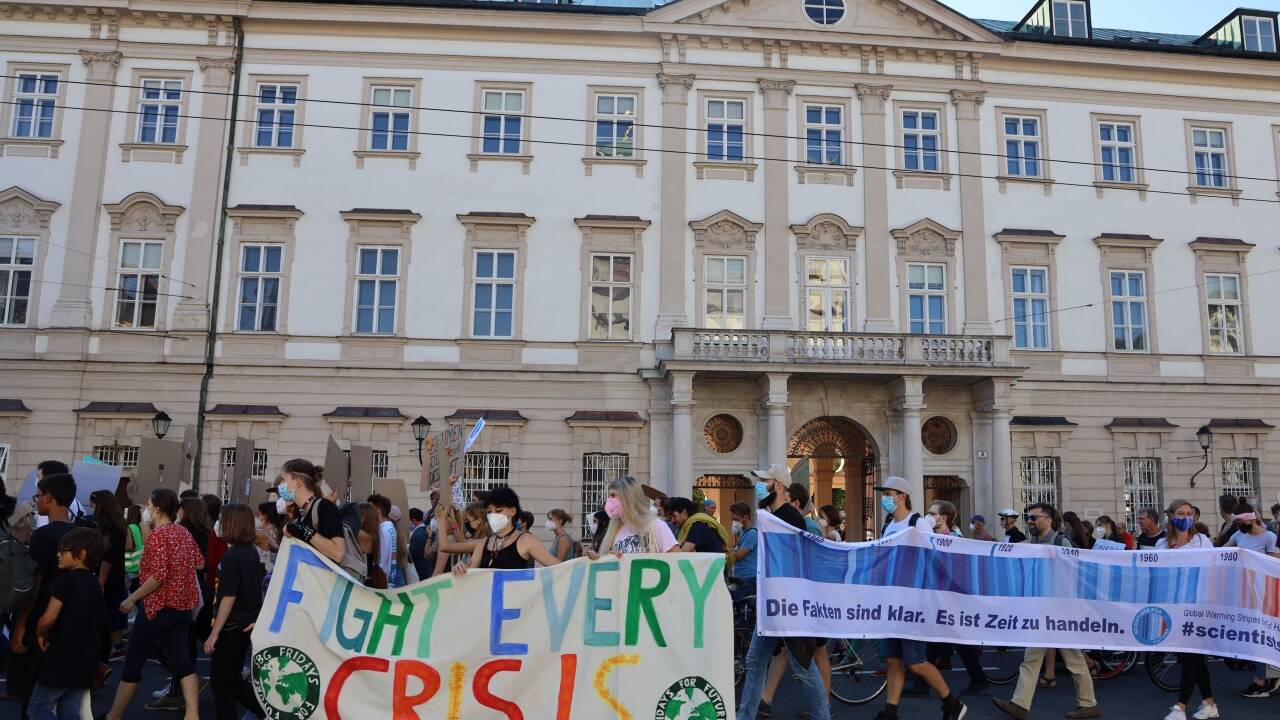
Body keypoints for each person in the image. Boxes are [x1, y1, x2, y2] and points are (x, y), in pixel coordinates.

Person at [736, 465, 830, 720]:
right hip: (774, 603)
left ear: (777, 485)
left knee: (803, 666)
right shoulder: (774, 515)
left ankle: (823, 716)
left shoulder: (789, 517)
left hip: (785, 604)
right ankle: (745, 715)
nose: (758, 486)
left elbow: (791, 560)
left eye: (763, 481)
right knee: (756, 661)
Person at [103, 489, 204, 720]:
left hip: (156, 608)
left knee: (133, 663)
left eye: (149, 505)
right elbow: (199, 563)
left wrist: (131, 598)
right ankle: (192, 713)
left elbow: (158, 576)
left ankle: (114, 715)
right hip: (182, 607)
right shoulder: (183, 533)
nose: (147, 509)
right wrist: (179, 570)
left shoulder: (159, 536)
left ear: (157, 508)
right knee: (182, 662)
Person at [993, 503, 1099, 720]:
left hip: (1061, 612)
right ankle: (1020, 704)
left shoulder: (1062, 542)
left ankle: (1088, 704)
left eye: (1033, 517)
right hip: (1041, 611)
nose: (1029, 521)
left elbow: (1076, 573)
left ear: (1048, 519)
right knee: (1032, 658)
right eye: (1028, 517)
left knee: (1074, 659)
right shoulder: (1031, 543)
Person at [872, 476, 964, 720]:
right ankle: (890, 712)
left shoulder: (918, 523)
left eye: (888, 493)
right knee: (893, 659)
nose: (885, 498)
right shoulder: (888, 525)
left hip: (913, 601)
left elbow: (934, 558)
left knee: (915, 661)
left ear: (902, 496)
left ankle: (951, 702)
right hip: (892, 599)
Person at [9, 471, 77, 720]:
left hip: (41, 616)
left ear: (49, 497)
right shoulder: (81, 532)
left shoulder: (42, 536)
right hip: (71, 618)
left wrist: (21, 625)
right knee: (67, 695)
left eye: (38, 496)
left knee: (32, 687)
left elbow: (34, 583)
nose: (36, 501)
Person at [28, 527, 106, 720]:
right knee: (70, 710)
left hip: (61, 658)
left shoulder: (64, 582)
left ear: (81, 554)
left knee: (38, 708)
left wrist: (39, 632)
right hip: (86, 658)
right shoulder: (95, 584)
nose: (58, 554)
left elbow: (49, 617)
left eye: (63, 550)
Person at [1156, 499, 1218, 720]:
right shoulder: (1162, 545)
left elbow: (1213, 570)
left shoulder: (1202, 541)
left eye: (1189, 513)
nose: (1185, 517)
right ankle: (1210, 703)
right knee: (1193, 658)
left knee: (1191, 655)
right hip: (1175, 606)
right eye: (1181, 514)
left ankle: (1180, 707)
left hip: (1199, 605)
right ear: (1171, 516)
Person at [203, 504, 266, 720]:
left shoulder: (231, 557)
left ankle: (261, 712)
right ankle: (264, 712)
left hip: (231, 626)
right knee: (233, 680)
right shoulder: (250, 552)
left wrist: (215, 632)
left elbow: (228, 597)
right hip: (244, 623)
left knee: (221, 683)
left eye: (222, 519)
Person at [1225, 501, 1280, 698]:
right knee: (1255, 636)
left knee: (1264, 634)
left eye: (1242, 523)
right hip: (1245, 593)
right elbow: (1223, 552)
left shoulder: (1269, 537)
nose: (1240, 527)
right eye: (1237, 523)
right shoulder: (1239, 535)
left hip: (1266, 593)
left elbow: (1274, 563)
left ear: (1253, 519)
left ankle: (1263, 681)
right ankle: (1266, 677)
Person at [454, 487, 561, 572]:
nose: (493, 515)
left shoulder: (526, 540)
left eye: (498, 510)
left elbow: (561, 569)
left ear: (513, 511)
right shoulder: (482, 544)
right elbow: (468, 576)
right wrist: (460, 569)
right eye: (489, 511)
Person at [279, 462, 347, 565]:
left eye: (283, 480)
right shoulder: (303, 512)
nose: (280, 485)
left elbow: (338, 553)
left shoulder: (324, 506)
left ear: (297, 482)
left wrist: (303, 530)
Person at [594, 475, 679, 556]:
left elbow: (677, 560)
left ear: (628, 497)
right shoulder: (614, 530)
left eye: (613, 495)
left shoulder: (656, 526)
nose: (609, 501)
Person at [89, 490, 128, 660]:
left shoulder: (106, 526)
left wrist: (100, 583)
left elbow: (106, 558)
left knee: (104, 616)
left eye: (93, 503)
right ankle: (117, 647)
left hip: (107, 576)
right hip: (118, 574)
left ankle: (105, 653)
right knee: (114, 612)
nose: (92, 507)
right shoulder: (119, 524)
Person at [728, 502, 758, 601]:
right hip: (740, 577)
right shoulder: (742, 533)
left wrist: (724, 556)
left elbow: (739, 555)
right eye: (732, 519)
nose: (733, 522)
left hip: (749, 578)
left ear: (745, 517)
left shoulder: (752, 534)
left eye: (736, 519)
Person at [356, 503, 386, 588]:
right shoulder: (374, 535)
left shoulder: (362, 535)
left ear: (362, 518)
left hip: (364, 582)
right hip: (370, 579)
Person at [407, 507, 434, 580]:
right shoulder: (429, 531)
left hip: (422, 572)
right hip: (431, 570)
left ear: (413, 520)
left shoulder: (416, 535)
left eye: (409, 520)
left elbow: (411, 557)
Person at [124, 504, 144, 589]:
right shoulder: (139, 527)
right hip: (138, 565)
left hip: (129, 566)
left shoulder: (129, 527)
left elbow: (129, 546)